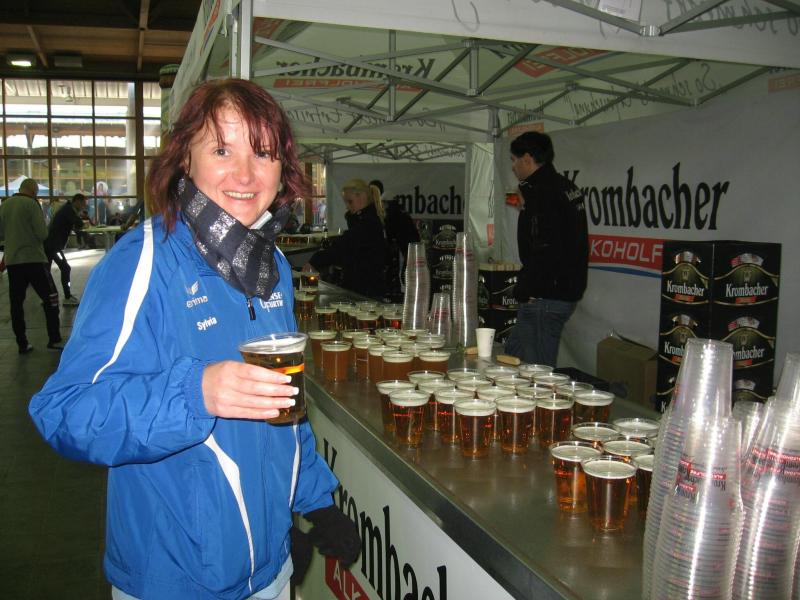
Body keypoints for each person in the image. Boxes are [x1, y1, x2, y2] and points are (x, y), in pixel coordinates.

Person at [29, 79, 359, 600]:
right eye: (222, 150)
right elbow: (64, 410)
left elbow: (281, 405)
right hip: (176, 580)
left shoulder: (271, 265)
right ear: (185, 158)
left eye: (263, 153)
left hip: (269, 569)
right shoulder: (144, 260)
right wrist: (194, 393)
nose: (245, 174)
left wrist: (313, 500)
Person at [504, 132, 589, 366]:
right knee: (512, 356)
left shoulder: (543, 193)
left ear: (527, 158)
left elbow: (546, 247)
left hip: (545, 295)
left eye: (514, 160)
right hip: (559, 291)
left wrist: (526, 288)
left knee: (536, 371)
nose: (513, 166)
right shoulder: (565, 187)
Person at [0, 178, 63, 354]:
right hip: (34, 259)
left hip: (13, 261)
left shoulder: (5, 205)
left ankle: (22, 343)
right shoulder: (31, 204)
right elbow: (42, 234)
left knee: (16, 303)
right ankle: (54, 339)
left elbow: (1, 233)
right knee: (51, 298)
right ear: (34, 190)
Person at [307, 178, 387, 299]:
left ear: (362, 197)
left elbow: (344, 246)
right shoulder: (368, 219)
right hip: (367, 286)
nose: (347, 207)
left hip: (365, 289)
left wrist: (315, 260)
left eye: (350, 202)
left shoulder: (368, 223)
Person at [372, 179, 420, 300]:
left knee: (401, 272)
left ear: (387, 203)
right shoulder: (403, 213)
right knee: (406, 272)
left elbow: (390, 234)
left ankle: (399, 293)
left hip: (402, 249)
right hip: (411, 248)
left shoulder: (392, 215)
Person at [44, 192, 87, 305]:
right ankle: (67, 297)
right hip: (54, 246)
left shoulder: (67, 209)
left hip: (50, 244)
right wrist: (81, 220)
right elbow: (78, 223)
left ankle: (48, 298)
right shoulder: (69, 210)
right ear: (77, 201)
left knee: (46, 271)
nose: (83, 207)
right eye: (83, 204)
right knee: (65, 268)